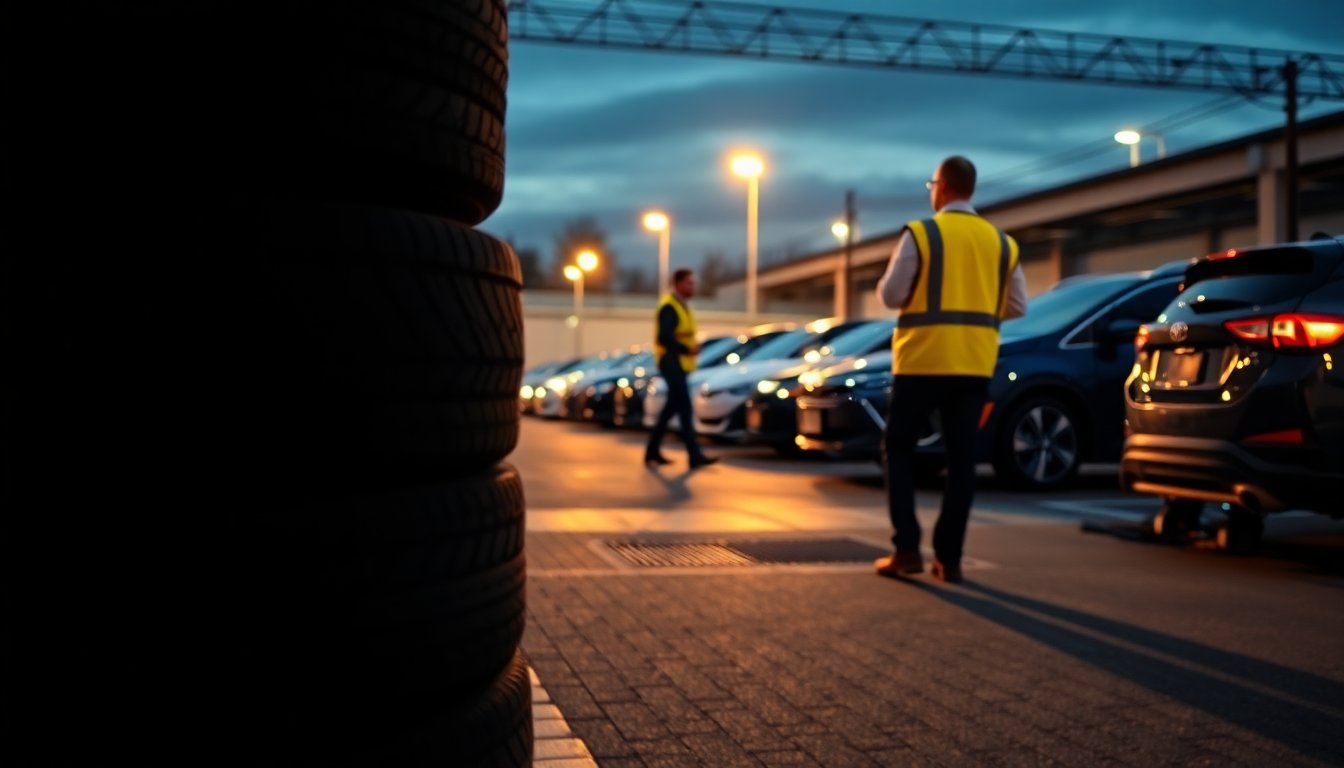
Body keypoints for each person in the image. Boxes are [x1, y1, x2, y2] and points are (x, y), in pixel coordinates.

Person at [873, 155, 1027, 583]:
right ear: (970, 190)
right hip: (974, 364)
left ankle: (906, 549)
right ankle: (950, 559)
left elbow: (891, 295)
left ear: (940, 187)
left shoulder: (922, 234)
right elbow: (1018, 306)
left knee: (900, 450)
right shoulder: (1001, 243)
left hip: (922, 360)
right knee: (961, 460)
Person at [645, 268, 719, 469]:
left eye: (693, 283)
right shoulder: (669, 307)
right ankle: (694, 456)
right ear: (677, 284)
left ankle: (652, 451)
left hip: (679, 364)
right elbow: (664, 337)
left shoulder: (681, 306)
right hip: (671, 362)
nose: (692, 287)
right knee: (685, 409)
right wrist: (686, 348)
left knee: (671, 409)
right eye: (689, 283)